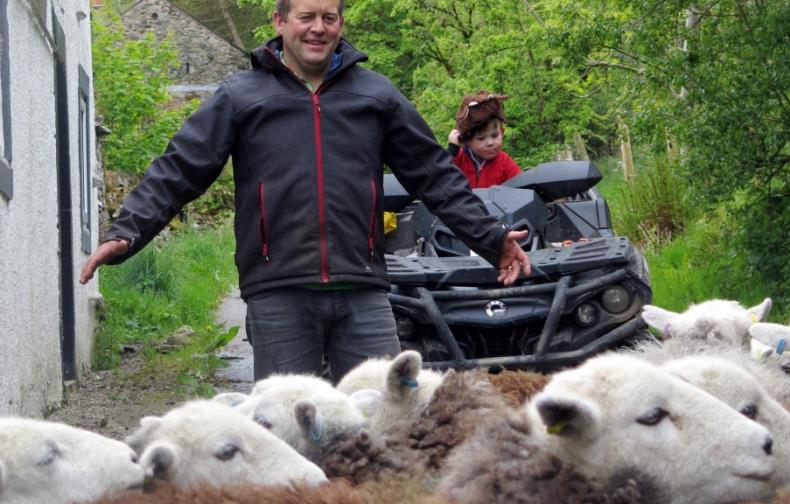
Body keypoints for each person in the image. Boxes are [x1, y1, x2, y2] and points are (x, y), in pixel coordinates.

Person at [79, 0, 531, 383]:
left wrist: (491, 238)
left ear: (341, 24)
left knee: (382, 424)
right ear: (280, 22)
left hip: (363, 290)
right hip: (279, 292)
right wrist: (127, 232)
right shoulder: (241, 96)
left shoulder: (376, 95)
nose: (318, 28)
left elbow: (435, 174)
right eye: (306, 16)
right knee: (288, 434)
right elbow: (180, 169)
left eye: (329, 17)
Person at [447, 91, 522, 188]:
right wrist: (452, 149)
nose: (490, 143)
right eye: (481, 138)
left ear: (502, 132)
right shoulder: (458, 159)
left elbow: (522, 186)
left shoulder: (505, 163)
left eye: (494, 135)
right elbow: (438, 177)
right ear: (467, 140)